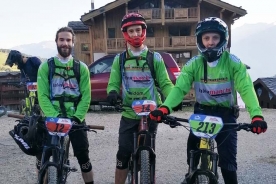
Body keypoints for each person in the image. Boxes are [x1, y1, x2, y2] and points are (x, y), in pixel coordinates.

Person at [149, 17, 268, 184]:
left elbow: (246, 89)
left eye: (215, 38)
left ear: (223, 39)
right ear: (200, 40)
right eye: (206, 38)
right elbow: (179, 88)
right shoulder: (194, 64)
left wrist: (256, 116)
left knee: (228, 163)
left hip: (226, 115)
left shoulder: (234, 63)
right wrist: (165, 108)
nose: (210, 43)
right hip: (202, 113)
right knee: (192, 150)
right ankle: (191, 173)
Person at [106, 12, 178, 184]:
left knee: (149, 153)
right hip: (129, 113)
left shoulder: (155, 58)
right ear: (126, 34)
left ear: (144, 31)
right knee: (123, 154)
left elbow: (165, 83)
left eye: (138, 30)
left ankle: (146, 172)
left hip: (151, 113)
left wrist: (173, 98)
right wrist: (112, 92)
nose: (135, 34)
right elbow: (113, 82)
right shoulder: (120, 59)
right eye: (131, 31)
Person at [37, 27, 94, 184]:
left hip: (74, 118)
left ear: (73, 42)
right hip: (52, 118)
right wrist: (53, 116)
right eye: (61, 40)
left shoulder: (81, 68)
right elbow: (42, 95)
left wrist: (77, 117)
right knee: (42, 156)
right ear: (56, 42)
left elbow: (86, 97)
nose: (65, 43)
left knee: (84, 158)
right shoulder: (46, 66)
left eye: (68, 40)